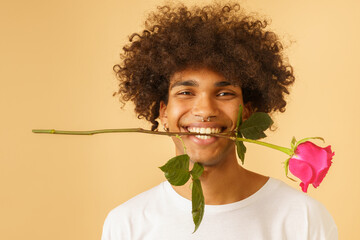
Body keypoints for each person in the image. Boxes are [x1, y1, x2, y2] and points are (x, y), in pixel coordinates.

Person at [102, 2, 337, 239]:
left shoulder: (303, 218)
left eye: (224, 93)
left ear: (247, 111)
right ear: (163, 112)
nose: (205, 110)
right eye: (186, 92)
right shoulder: (126, 224)